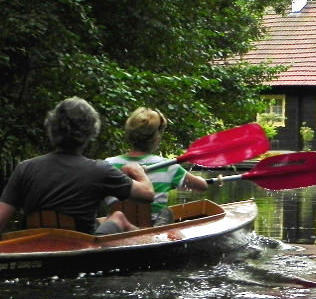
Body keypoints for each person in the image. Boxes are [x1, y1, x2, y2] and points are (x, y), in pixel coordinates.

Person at [0, 97, 154, 235]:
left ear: (51, 128)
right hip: (83, 252)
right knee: (118, 217)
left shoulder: (24, 169)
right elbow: (147, 194)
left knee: (101, 220)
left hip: (36, 249)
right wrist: (138, 171)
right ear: (91, 132)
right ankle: (149, 239)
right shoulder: (100, 171)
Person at [106, 107, 208, 225]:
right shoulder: (168, 167)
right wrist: (199, 179)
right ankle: (159, 227)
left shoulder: (108, 165)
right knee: (166, 213)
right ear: (156, 137)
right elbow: (202, 187)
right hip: (151, 228)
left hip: (116, 229)